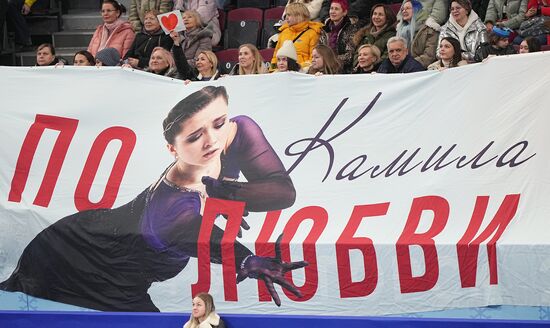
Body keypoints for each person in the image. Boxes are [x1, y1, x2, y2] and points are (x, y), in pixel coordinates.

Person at [0, 86, 307, 312]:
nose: (212, 140)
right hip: (79, 255)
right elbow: (206, 240)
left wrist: (225, 191)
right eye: (194, 136)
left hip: (113, 253)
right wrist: (246, 259)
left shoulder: (237, 132)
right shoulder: (170, 209)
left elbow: (283, 191)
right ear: (172, 150)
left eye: (218, 123)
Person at [270, 2, 323, 70]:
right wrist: (272, 70)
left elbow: (313, 58)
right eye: (286, 15)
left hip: (302, 72)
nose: (286, 18)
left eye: (289, 15)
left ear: (298, 16)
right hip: (282, 72)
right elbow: (275, 56)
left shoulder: (312, 33)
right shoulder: (283, 32)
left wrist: (300, 68)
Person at [396, 0, 440, 68]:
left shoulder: (429, 29)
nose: (404, 11)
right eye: (402, 9)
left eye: (408, 8)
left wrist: (407, 65)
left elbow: (429, 57)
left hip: (421, 70)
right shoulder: (400, 31)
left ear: (417, 10)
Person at [318, 0, 358, 73]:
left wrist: (331, 59)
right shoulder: (325, 29)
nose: (332, 11)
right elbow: (319, 49)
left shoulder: (351, 29)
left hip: (343, 69)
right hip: (325, 67)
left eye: (336, 9)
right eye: (331, 8)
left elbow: (349, 56)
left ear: (344, 12)